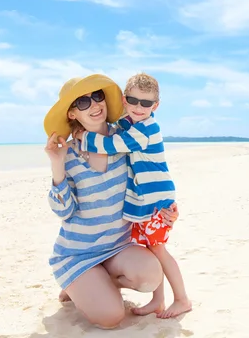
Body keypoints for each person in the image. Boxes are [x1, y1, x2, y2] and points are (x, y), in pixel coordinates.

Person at [43, 74, 180, 329]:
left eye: (97, 96)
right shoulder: (69, 153)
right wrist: (57, 165)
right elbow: (64, 211)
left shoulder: (126, 140)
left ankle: (93, 285)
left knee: (151, 275)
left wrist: (166, 209)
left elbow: (152, 173)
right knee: (110, 318)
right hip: (78, 253)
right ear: (72, 114)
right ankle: (77, 284)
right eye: (82, 102)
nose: (94, 105)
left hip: (118, 247)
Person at [74, 72, 191, 319]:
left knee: (158, 251)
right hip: (143, 202)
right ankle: (158, 301)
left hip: (157, 202)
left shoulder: (147, 129)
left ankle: (181, 299)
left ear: (155, 106)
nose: (139, 107)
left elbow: (112, 145)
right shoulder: (130, 123)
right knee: (148, 250)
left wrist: (84, 137)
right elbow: (115, 128)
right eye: (133, 101)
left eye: (146, 103)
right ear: (125, 101)